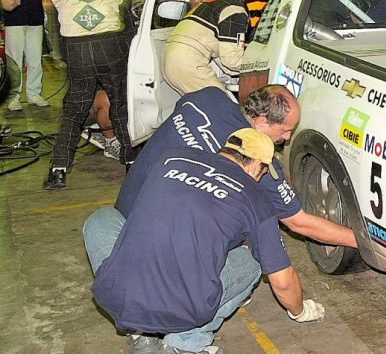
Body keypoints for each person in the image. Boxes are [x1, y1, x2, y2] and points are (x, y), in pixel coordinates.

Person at [83, 128, 325, 354]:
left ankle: (139, 332)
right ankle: (186, 344)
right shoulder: (256, 200)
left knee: (101, 218)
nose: (260, 179)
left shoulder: (171, 158)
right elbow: (282, 281)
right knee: (253, 261)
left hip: (116, 296)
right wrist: (300, 311)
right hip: (182, 310)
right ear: (256, 164)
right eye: (263, 172)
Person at [115, 84, 357, 249]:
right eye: (284, 130)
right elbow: (299, 222)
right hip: (153, 246)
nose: (287, 137)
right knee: (256, 238)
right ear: (260, 122)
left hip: (121, 215)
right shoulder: (257, 162)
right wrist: (361, 240)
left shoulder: (206, 97)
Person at [43, 0, 136, 190]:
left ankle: (58, 170)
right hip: (111, 45)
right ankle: (130, 162)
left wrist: (62, 57)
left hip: (76, 48)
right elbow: (128, 23)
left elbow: (52, 27)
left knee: (74, 109)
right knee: (119, 104)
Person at [160, 0, 272, 96]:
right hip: (188, 62)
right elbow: (232, 60)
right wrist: (264, 65)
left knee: (203, 105)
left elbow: (225, 58)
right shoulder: (235, 11)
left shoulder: (219, 4)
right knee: (221, 104)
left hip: (171, 59)